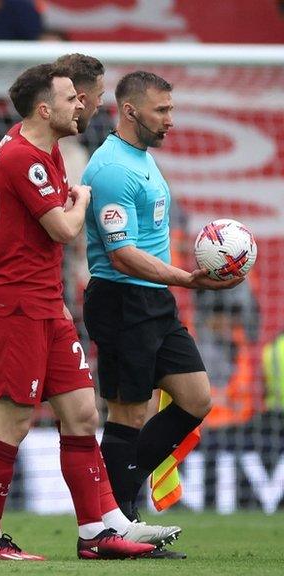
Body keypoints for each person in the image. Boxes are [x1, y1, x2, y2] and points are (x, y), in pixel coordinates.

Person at [0, 54, 180, 560]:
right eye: (75, 98)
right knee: (5, 422)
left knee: (81, 411)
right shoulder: (23, 156)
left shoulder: (34, 150)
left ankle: (100, 528)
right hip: (19, 305)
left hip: (44, 302)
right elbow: (66, 230)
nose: (84, 105)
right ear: (46, 108)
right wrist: (81, 200)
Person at [81, 71, 245, 549]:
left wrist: (176, 285)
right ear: (130, 111)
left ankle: (117, 505)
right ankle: (111, 524)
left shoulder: (142, 158)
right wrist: (189, 279)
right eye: (162, 110)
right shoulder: (113, 168)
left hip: (154, 301)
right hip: (122, 299)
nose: (171, 120)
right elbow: (121, 253)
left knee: (195, 400)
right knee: (129, 414)